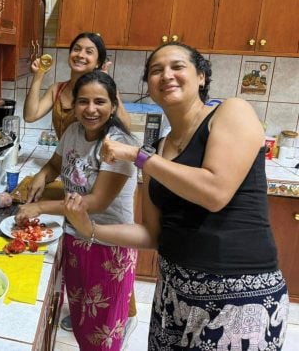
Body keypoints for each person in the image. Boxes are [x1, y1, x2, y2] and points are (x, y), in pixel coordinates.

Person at [64, 42, 289, 350]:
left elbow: (214, 192)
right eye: (156, 70)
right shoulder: (160, 149)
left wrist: (137, 156)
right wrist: (89, 228)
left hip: (237, 294)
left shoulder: (232, 112)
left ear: (201, 76)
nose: (166, 75)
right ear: (150, 87)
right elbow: (152, 233)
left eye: (177, 66)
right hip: (173, 293)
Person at [22, 32, 138, 338]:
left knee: (102, 332)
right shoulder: (73, 130)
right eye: (82, 102)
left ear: (112, 105)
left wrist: (40, 206)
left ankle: (122, 320)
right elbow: (56, 164)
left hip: (107, 241)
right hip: (75, 233)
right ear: (72, 105)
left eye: (100, 102)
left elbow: (96, 202)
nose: (90, 108)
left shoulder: (118, 143)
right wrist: (42, 175)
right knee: (82, 320)